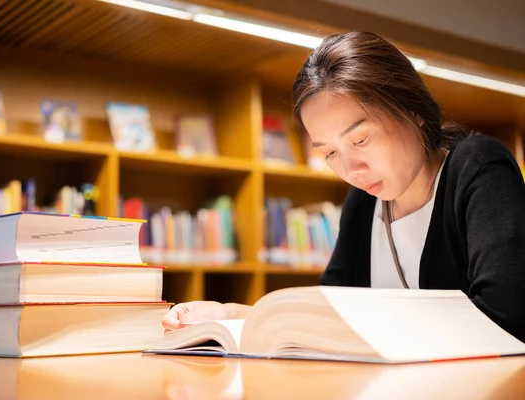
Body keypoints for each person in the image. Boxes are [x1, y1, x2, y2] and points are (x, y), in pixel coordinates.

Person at [162, 31, 525, 342]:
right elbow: (331, 309)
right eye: (330, 152)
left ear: (413, 111)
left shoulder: (477, 168)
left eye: (361, 140)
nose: (351, 169)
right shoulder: (365, 201)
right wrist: (233, 314)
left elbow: (504, 318)